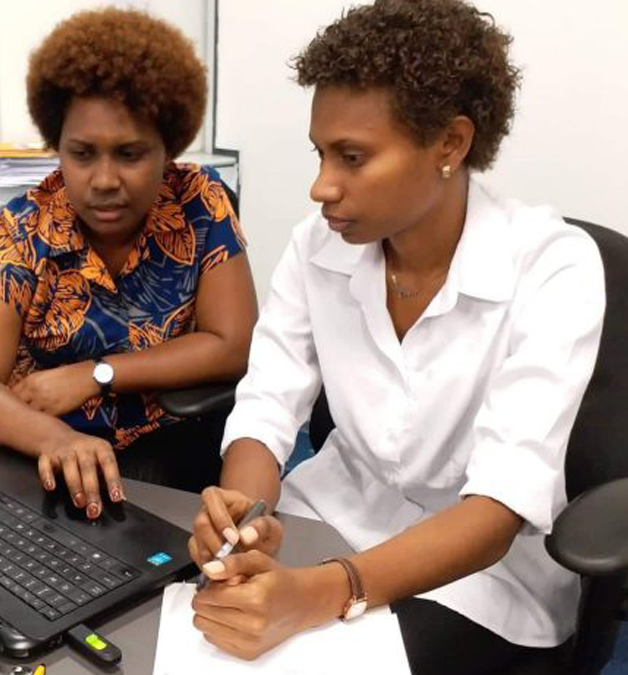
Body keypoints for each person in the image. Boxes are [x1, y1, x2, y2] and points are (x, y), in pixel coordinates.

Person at [187, 1, 605, 673]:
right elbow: (268, 404)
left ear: (450, 143)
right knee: (200, 636)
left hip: (478, 582)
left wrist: (323, 592)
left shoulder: (553, 264)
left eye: (352, 156)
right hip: (328, 520)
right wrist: (244, 510)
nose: (322, 185)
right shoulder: (314, 248)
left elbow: (498, 508)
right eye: (322, 153)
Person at [0, 8, 257, 520]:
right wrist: (57, 439)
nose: (105, 179)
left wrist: (98, 374)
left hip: (167, 451)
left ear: (168, 150)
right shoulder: (24, 230)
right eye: (82, 154)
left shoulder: (202, 201)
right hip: (44, 453)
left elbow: (233, 344)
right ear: (59, 148)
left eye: (130, 154)